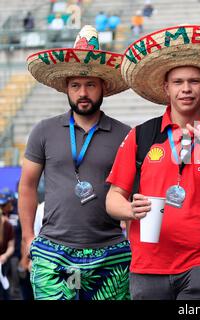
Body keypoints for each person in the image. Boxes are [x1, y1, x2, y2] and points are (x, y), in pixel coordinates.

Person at [105, 24, 200, 300]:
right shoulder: (141, 135)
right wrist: (129, 210)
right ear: (166, 88)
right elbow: (112, 199)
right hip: (148, 264)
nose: (186, 89)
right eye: (178, 82)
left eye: (194, 81)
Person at [19, 25, 131, 300]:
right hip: (54, 252)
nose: (83, 93)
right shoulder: (43, 130)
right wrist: (27, 239)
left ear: (103, 86)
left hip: (111, 253)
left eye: (90, 85)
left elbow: (136, 191)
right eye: (76, 86)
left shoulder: (126, 135)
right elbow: (27, 187)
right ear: (66, 88)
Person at [0, 195, 15, 300]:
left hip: (3, 264)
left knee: (6, 291)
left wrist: (5, 255)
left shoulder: (8, 226)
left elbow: (11, 246)